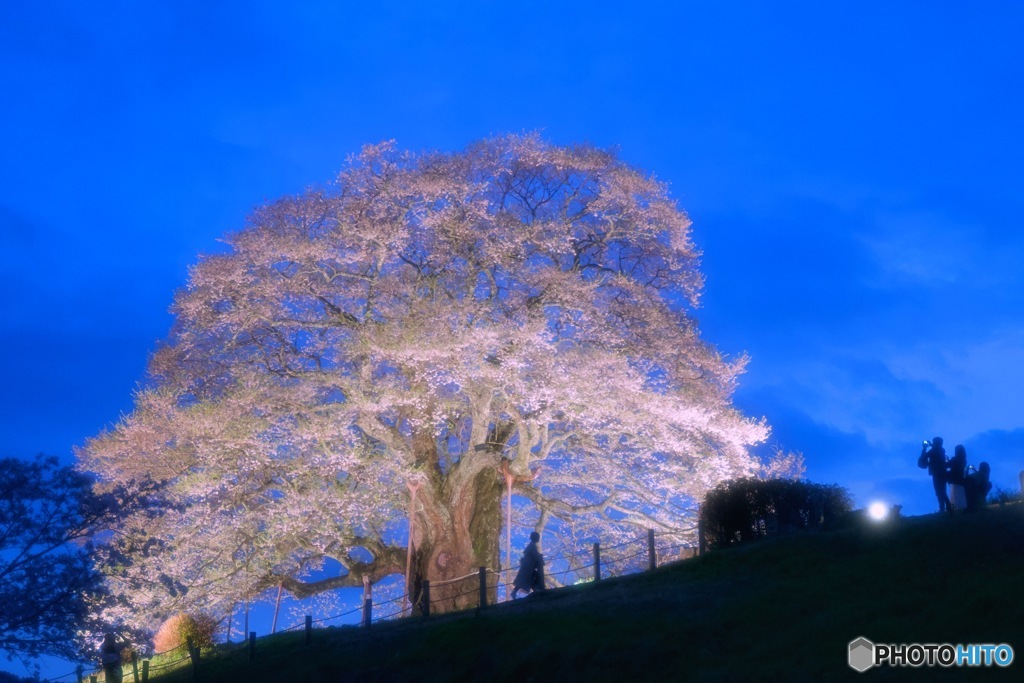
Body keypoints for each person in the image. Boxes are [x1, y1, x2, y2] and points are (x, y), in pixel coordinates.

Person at [921, 437, 951, 513]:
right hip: (943, 473)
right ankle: (945, 507)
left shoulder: (934, 451)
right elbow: (935, 450)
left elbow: (924, 456)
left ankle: (945, 507)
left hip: (936, 474)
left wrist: (924, 448)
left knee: (939, 491)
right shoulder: (942, 450)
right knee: (942, 491)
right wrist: (931, 445)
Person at [511, 531, 544, 598]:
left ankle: (536, 590)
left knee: (526, 579)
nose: (538, 539)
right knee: (530, 578)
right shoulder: (532, 546)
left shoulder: (531, 545)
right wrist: (540, 557)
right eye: (538, 537)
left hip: (528, 567)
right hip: (528, 567)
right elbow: (535, 555)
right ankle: (537, 590)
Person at [946, 445, 968, 511]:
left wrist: (946, 460)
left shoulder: (955, 459)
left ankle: (953, 508)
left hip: (954, 480)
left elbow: (948, 465)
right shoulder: (964, 460)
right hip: (960, 480)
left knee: (955, 495)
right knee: (960, 495)